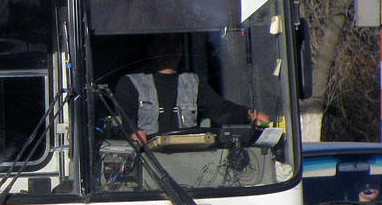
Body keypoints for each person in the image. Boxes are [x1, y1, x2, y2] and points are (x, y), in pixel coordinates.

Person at [113, 33, 270, 144]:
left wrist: (249, 115)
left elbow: (220, 109)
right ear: (151, 48)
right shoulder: (130, 84)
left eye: (175, 43)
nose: (170, 48)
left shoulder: (192, 82)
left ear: (181, 48)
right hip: (149, 164)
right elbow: (125, 122)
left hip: (189, 163)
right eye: (164, 42)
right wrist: (132, 134)